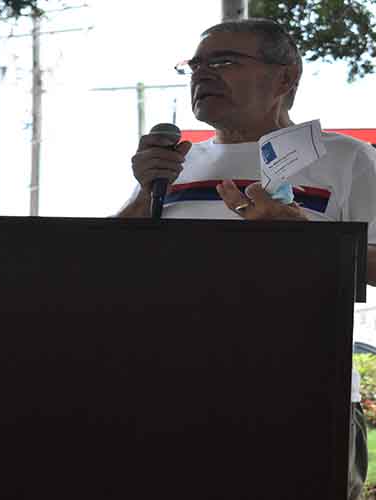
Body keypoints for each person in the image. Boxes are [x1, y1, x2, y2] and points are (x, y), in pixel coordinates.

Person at [117, 18, 375, 500]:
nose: (203, 74)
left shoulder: (349, 159)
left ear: (285, 78)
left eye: (225, 61)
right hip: (168, 394)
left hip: (300, 394)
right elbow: (101, 263)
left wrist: (308, 243)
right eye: (195, 64)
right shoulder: (173, 164)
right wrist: (141, 195)